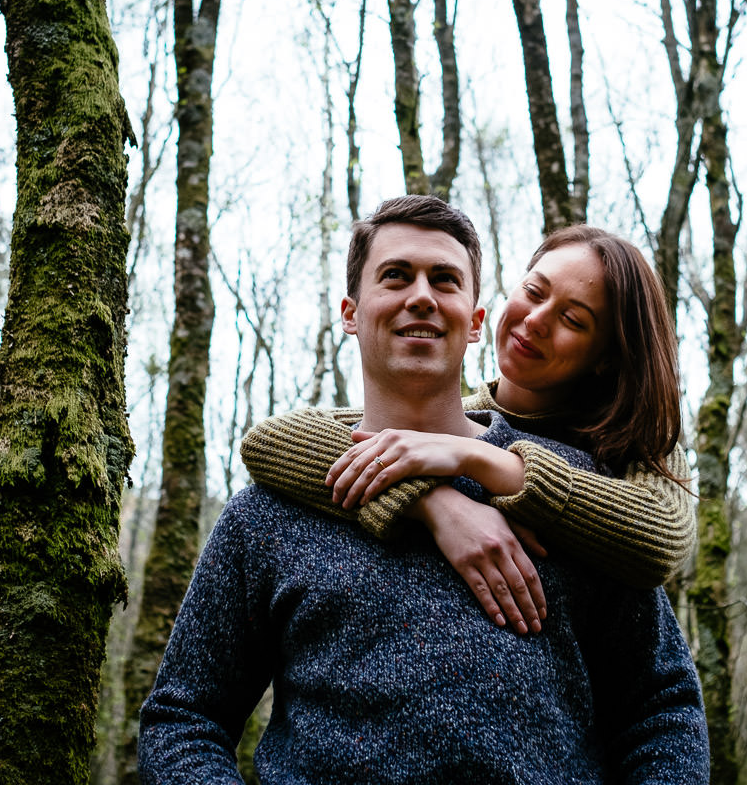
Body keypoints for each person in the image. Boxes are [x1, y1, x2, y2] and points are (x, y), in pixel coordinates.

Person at [138, 195, 708, 783]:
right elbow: (184, 720)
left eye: (444, 279)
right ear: (350, 313)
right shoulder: (271, 511)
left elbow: (659, 710)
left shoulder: (584, 501)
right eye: (395, 276)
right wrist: (428, 498)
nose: (420, 296)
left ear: (476, 321)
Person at [241, 223, 694, 633]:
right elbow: (272, 440)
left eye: (572, 319)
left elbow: (664, 537)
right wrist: (432, 501)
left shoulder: (627, 439)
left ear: (607, 357)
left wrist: (478, 457)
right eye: (534, 292)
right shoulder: (467, 416)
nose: (535, 321)